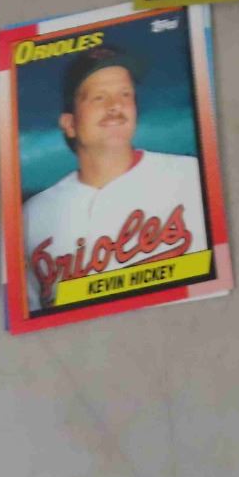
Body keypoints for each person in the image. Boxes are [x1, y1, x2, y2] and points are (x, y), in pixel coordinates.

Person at [23, 44, 208, 313]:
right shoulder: (31, 216)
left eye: (125, 94)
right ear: (70, 124)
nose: (116, 105)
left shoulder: (192, 176)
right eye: (99, 97)